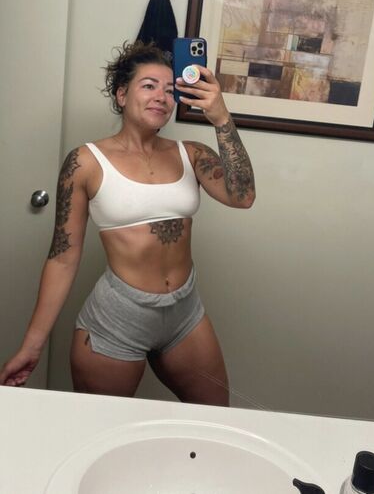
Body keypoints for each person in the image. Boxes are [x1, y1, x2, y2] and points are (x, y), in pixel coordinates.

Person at [0, 41, 255, 405]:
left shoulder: (192, 154)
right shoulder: (86, 162)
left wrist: (221, 118)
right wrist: (32, 345)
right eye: (148, 86)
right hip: (118, 318)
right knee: (104, 428)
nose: (161, 97)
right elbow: (63, 258)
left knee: (215, 416)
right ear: (121, 95)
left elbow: (243, 197)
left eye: (169, 90)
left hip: (185, 314)